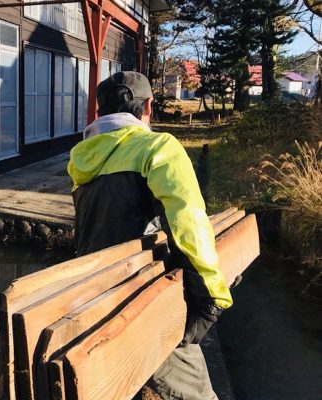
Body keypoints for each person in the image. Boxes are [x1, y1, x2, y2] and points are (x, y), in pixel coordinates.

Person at [67, 71, 233, 400]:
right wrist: (212, 298)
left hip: (92, 298)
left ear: (99, 114)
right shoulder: (156, 147)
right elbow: (187, 221)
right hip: (140, 301)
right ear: (148, 107)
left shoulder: (81, 160)